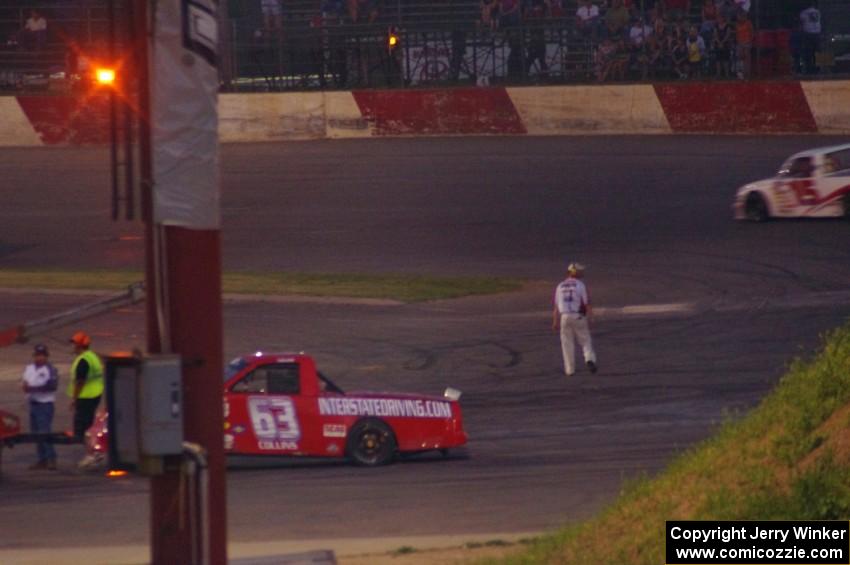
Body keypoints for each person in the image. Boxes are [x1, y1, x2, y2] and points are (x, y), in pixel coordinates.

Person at [552, 263, 597, 377]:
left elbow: (556, 307)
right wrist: (591, 318)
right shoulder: (580, 285)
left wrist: (555, 321)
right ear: (574, 272)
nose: (582, 273)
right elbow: (587, 303)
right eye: (579, 271)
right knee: (585, 340)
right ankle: (589, 359)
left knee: (567, 344)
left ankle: (569, 369)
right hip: (578, 316)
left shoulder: (560, 286)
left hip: (564, 317)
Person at [22, 344, 59, 470]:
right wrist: (27, 388)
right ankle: (42, 459)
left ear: (46, 356)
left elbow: (52, 386)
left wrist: (32, 389)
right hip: (33, 404)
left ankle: (51, 458)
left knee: (45, 432)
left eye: (42, 355)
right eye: (38, 355)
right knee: (36, 433)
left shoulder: (50, 369)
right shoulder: (29, 368)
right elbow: (25, 383)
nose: (40, 358)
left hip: (45, 405)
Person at [67, 331, 104, 439]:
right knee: (88, 419)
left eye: (74, 344)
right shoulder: (92, 356)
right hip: (95, 394)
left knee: (81, 420)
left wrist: (74, 398)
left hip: (86, 395)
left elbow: (80, 381)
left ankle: (81, 440)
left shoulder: (83, 360)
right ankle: (86, 438)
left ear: (79, 345)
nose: (72, 346)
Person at [799, 1, 821, 75]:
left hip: (808, 34)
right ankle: (817, 69)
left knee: (808, 53)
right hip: (817, 34)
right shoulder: (817, 12)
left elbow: (801, 22)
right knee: (817, 52)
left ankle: (809, 69)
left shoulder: (804, 13)